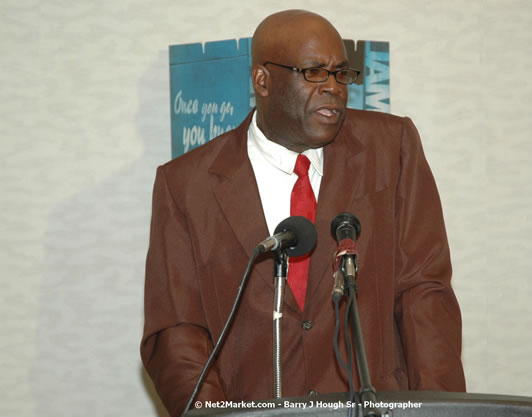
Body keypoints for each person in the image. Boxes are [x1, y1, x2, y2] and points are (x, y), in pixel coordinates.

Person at [141, 10, 465, 417]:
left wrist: (440, 412)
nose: (333, 88)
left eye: (340, 74)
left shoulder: (391, 149)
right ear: (263, 80)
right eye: (313, 73)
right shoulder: (187, 184)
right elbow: (177, 330)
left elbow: (424, 295)